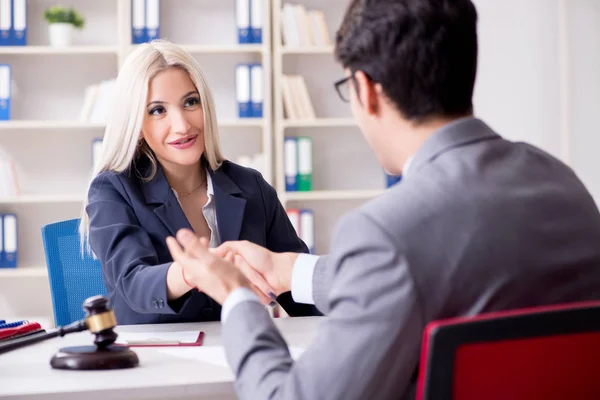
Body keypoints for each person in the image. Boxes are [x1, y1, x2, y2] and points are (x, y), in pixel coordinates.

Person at [166, 0, 600, 399]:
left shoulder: (385, 231)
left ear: (366, 90)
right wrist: (292, 270)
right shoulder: (564, 186)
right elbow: (433, 273)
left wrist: (239, 298)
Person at [79, 39, 318, 325]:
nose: (182, 125)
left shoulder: (250, 186)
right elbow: (133, 283)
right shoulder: (113, 190)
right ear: (136, 125)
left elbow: (301, 290)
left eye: (190, 102)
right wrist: (194, 271)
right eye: (158, 110)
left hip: (243, 352)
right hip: (152, 361)